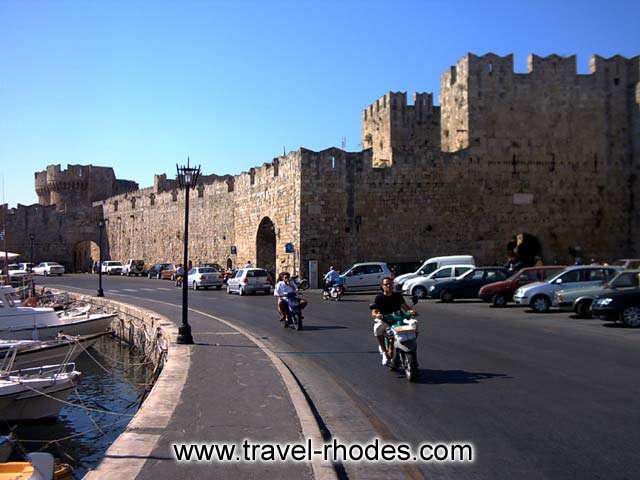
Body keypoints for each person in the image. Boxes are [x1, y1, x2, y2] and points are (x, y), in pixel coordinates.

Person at [370, 277, 416, 366]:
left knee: (414, 324)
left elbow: (406, 307)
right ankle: (384, 351)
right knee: (377, 328)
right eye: (386, 284)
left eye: (390, 284)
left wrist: (411, 311)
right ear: (382, 286)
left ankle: (411, 343)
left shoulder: (398, 296)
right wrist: (377, 315)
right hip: (385, 320)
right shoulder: (379, 297)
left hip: (398, 319)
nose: (389, 286)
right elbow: (374, 311)